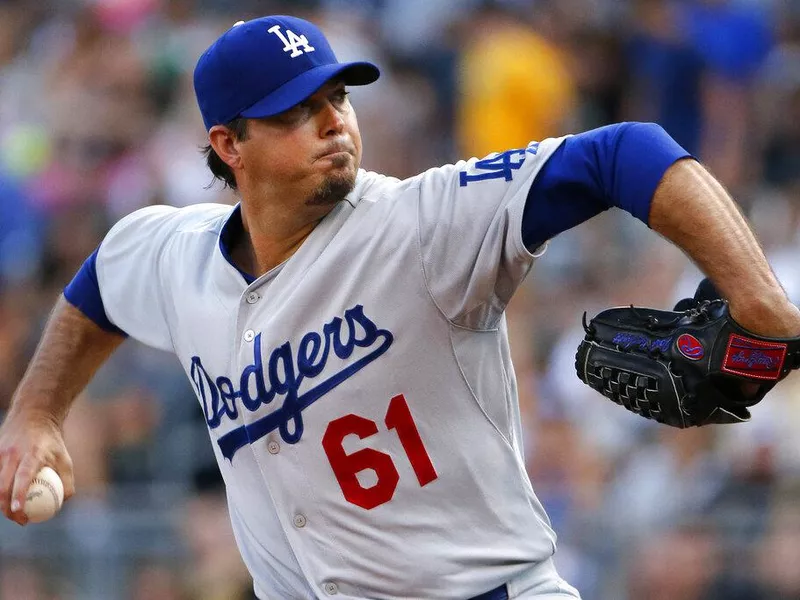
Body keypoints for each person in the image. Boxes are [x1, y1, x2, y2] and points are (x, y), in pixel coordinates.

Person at [1, 14, 799, 600]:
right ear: (227, 146)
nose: (331, 124)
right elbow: (100, 285)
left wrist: (763, 302)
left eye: (336, 98)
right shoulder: (170, 254)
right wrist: (37, 412)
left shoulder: (424, 223)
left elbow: (626, 152)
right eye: (293, 112)